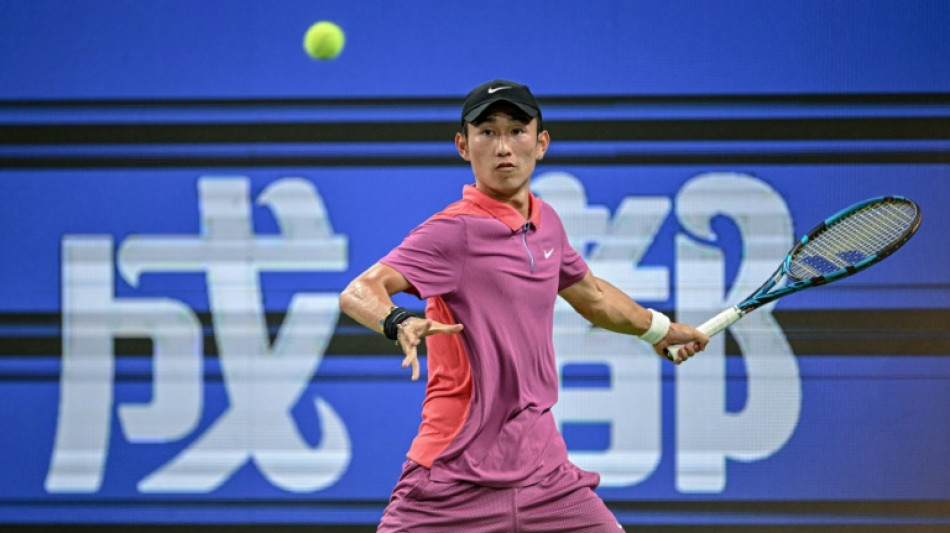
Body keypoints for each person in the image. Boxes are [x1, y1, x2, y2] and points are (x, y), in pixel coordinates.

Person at [339, 79, 709, 533]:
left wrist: (658, 329)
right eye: (487, 133)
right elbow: (360, 290)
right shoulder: (453, 232)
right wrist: (398, 321)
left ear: (541, 143)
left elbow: (592, 295)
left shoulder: (545, 221)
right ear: (463, 146)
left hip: (547, 480)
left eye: (517, 131)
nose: (503, 147)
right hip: (452, 481)